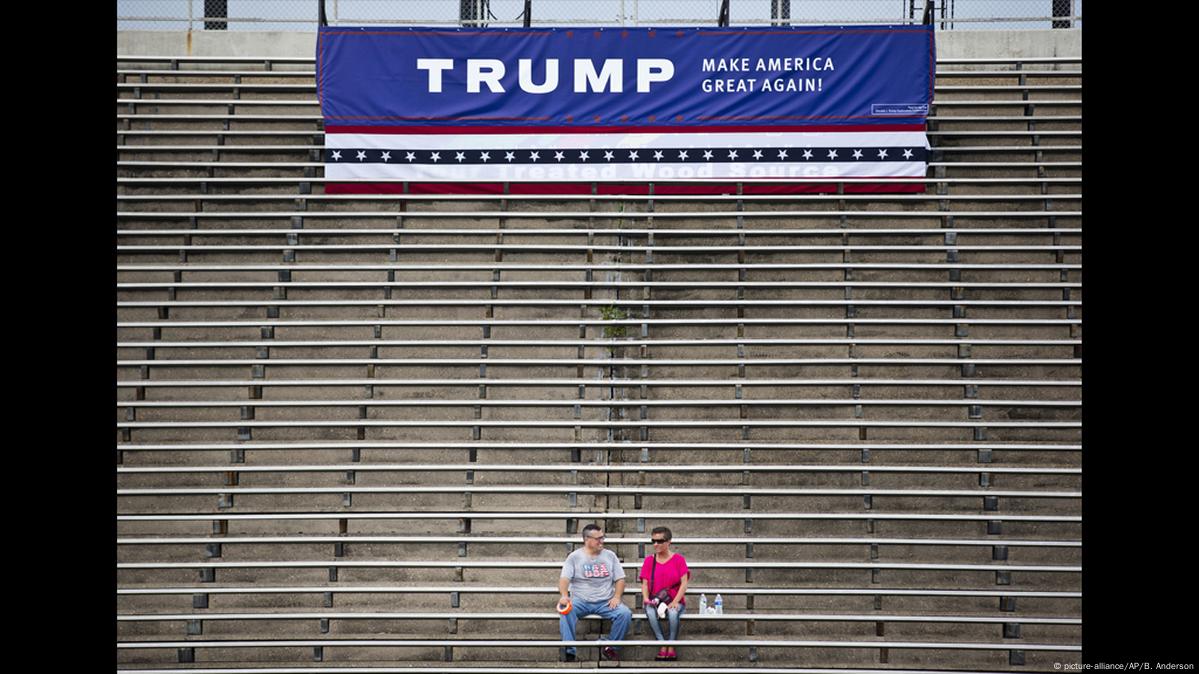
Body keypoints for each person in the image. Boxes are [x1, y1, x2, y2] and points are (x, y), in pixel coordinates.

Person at [558, 523, 632, 662]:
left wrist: (617, 596)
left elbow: (620, 579)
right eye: (598, 538)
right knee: (566, 612)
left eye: (603, 537)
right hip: (581, 600)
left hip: (605, 601)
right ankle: (569, 651)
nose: (602, 541)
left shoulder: (610, 556)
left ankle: (611, 647)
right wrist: (564, 596)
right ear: (587, 540)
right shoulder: (574, 557)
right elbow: (564, 579)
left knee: (625, 614)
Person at [639, 526, 690, 661]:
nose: (656, 544)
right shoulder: (650, 560)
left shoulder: (678, 559)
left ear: (669, 542)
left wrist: (675, 601)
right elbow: (644, 584)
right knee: (650, 611)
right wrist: (645, 598)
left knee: (673, 613)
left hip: (674, 598)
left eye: (660, 541)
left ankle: (671, 646)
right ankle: (662, 644)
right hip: (656, 599)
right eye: (653, 541)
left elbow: (684, 583)